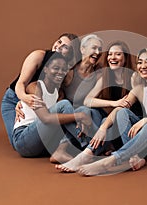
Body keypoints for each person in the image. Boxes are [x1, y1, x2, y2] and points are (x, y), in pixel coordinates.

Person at [56, 47, 147, 175]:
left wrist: (146, 120)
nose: (143, 66)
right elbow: (119, 110)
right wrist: (103, 128)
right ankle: (90, 154)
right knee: (122, 113)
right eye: (140, 62)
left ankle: (110, 162)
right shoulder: (139, 89)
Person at [53, 41, 142, 170]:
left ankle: (86, 154)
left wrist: (103, 127)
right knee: (86, 110)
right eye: (110, 54)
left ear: (125, 58)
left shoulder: (133, 77)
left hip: (131, 127)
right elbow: (88, 100)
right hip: (113, 126)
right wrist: (112, 103)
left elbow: (123, 108)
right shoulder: (106, 77)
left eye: (118, 54)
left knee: (107, 120)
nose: (113, 57)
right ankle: (92, 149)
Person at [1, 33, 80, 147]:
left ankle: (80, 144)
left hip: (39, 103)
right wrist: (23, 100)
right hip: (15, 98)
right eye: (59, 42)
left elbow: (54, 97)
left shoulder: (65, 69)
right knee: (17, 142)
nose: (59, 46)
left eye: (65, 46)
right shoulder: (38, 56)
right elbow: (21, 83)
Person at [12, 52, 92, 157]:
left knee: (79, 111)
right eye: (55, 68)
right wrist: (79, 116)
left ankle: (68, 149)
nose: (60, 72)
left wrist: (81, 114)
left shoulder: (59, 93)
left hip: (43, 144)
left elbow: (62, 120)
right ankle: (90, 146)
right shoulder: (35, 87)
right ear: (45, 69)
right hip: (24, 140)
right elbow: (46, 118)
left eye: (63, 70)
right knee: (65, 105)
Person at [49, 34, 104, 163]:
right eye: (94, 48)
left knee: (88, 110)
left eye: (99, 49)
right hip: (68, 120)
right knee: (71, 106)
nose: (97, 52)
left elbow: (92, 102)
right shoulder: (69, 71)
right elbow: (53, 95)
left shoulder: (99, 73)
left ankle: (83, 149)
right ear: (82, 49)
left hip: (86, 119)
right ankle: (92, 148)